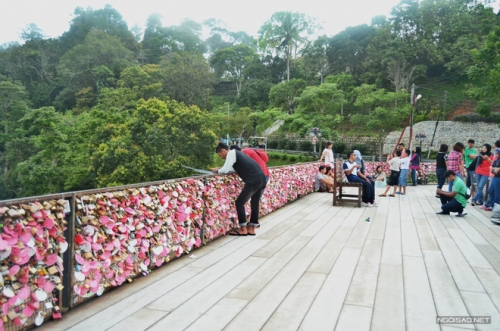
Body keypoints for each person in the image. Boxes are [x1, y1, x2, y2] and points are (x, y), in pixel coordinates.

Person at [211, 143, 266, 236]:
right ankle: (251, 229)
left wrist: (216, 171)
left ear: (223, 151)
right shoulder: (237, 153)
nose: (221, 157)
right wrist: (221, 168)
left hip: (253, 181)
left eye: (220, 155)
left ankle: (243, 228)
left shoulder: (231, 153)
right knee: (254, 203)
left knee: (239, 203)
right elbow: (231, 168)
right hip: (261, 179)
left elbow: (225, 170)